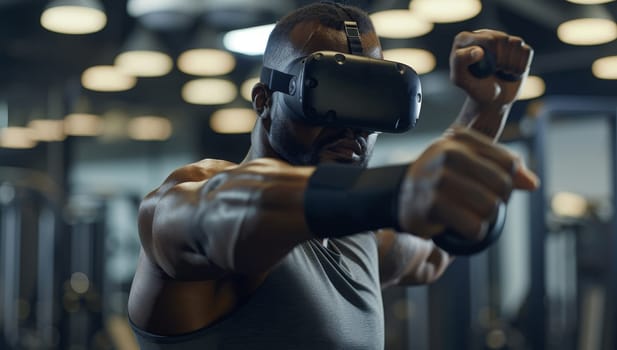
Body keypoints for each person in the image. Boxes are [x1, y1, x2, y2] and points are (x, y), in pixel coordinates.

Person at [128, 2, 538, 349]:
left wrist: (487, 109)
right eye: (327, 96)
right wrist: (395, 192)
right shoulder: (196, 196)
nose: (352, 127)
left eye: (369, 101)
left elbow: (432, 251)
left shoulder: (359, 236)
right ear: (264, 101)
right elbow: (224, 213)